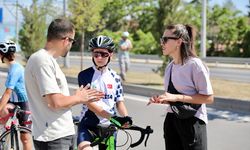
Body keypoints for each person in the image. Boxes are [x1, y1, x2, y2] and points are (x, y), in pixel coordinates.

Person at [25, 18, 104, 150]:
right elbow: (55, 102)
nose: (71, 45)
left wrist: (77, 97)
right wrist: (80, 97)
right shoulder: (42, 61)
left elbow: (55, 100)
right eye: (73, 41)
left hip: (58, 135)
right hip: (54, 137)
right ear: (66, 40)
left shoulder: (46, 60)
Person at [148, 24, 214, 150]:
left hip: (192, 122)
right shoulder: (170, 66)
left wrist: (175, 96)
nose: (162, 43)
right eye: (162, 39)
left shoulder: (195, 65)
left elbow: (208, 98)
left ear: (178, 42)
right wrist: (164, 99)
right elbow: (177, 100)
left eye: (165, 39)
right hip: (171, 120)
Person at [77, 35, 132, 150]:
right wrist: (114, 118)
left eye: (104, 54)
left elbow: (119, 102)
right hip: (88, 124)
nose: (99, 58)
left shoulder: (115, 77)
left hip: (109, 127)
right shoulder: (84, 75)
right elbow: (89, 104)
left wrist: (126, 118)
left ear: (111, 54)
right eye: (96, 54)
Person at [0, 40, 32, 150]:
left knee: (25, 137)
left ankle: (5, 135)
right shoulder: (11, 68)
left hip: (24, 102)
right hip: (13, 101)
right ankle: (5, 136)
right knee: (3, 111)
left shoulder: (15, 69)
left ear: (2, 54)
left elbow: (8, 92)